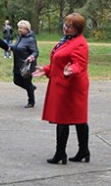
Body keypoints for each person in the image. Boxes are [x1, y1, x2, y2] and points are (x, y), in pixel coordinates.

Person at [33, 13, 90, 165]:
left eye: (70, 26)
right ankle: (82, 151)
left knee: (68, 119)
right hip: (62, 83)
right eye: (65, 25)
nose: (66, 28)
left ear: (77, 29)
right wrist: (46, 69)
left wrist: (71, 70)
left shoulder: (80, 43)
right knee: (74, 118)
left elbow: (80, 63)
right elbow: (58, 62)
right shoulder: (66, 40)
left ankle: (62, 153)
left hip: (72, 85)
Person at [10, 20, 39, 108]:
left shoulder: (30, 39)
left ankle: (31, 101)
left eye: (21, 28)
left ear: (27, 29)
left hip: (27, 66)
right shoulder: (20, 37)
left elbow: (35, 52)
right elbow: (17, 48)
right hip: (17, 65)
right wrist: (10, 47)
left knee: (27, 83)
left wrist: (31, 57)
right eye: (19, 28)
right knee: (16, 81)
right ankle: (31, 88)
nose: (19, 30)